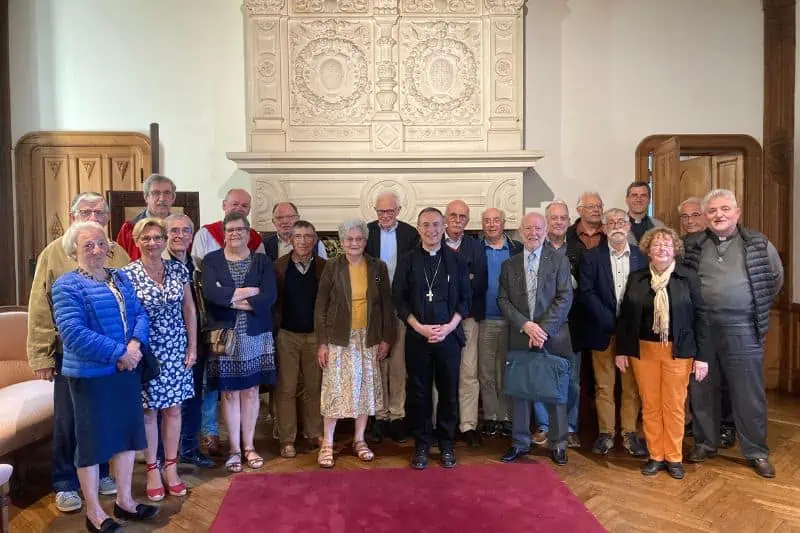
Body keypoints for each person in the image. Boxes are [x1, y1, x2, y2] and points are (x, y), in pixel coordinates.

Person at [51, 221, 159, 532]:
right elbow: (73, 334)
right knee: (93, 444)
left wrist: (135, 346)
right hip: (91, 376)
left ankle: (125, 502)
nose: (97, 250)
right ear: (74, 251)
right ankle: (95, 513)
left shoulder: (119, 277)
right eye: (88, 245)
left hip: (126, 371)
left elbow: (139, 314)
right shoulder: (66, 285)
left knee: (126, 438)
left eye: (101, 243)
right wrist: (120, 353)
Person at [27, 192, 127, 513]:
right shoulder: (52, 254)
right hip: (69, 355)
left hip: (109, 356)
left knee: (101, 418)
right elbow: (40, 309)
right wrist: (41, 356)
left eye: (99, 212)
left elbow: (129, 297)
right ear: (72, 216)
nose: (92, 216)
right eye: (85, 211)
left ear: (107, 217)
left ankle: (97, 474)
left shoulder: (117, 252)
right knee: (70, 421)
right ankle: (65, 482)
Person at [684, 189, 784, 478]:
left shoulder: (758, 243)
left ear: (737, 213)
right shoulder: (693, 245)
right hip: (702, 330)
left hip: (743, 328)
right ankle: (705, 442)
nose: (719, 215)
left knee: (748, 394)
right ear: (705, 216)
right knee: (702, 391)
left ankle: (756, 451)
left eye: (725, 209)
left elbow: (773, 279)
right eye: (713, 210)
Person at [616, 227, 710, 479]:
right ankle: (655, 455)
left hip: (678, 351)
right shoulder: (637, 278)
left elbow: (701, 318)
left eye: (667, 244)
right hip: (643, 351)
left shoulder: (687, 277)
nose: (662, 249)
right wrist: (622, 350)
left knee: (674, 405)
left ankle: (674, 457)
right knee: (650, 405)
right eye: (656, 244)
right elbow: (625, 318)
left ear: (675, 249)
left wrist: (702, 357)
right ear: (648, 249)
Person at [121, 218, 197, 501]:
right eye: (146, 238)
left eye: (157, 237)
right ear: (137, 241)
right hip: (146, 352)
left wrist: (193, 346)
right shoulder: (126, 274)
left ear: (165, 240)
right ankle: (152, 468)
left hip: (177, 347)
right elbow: (126, 317)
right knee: (149, 411)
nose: (152, 243)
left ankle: (171, 467)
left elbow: (189, 307)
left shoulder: (178, 268)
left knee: (174, 410)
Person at [191, 189, 266, 459]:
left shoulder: (256, 242)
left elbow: (262, 288)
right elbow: (206, 283)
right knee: (217, 384)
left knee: (248, 387)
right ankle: (210, 433)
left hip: (252, 327)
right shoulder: (205, 235)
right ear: (224, 205)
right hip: (218, 324)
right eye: (235, 203)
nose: (240, 208)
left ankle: (246, 444)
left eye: (245, 205)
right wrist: (236, 295)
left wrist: (231, 295)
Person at [393, 207, 471, 470]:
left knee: (449, 392)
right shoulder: (407, 260)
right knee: (419, 393)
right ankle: (422, 445)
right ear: (418, 228)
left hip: (449, 337)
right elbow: (399, 300)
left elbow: (465, 300)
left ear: (444, 226)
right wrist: (419, 327)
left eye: (436, 224)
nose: (432, 230)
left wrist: (449, 328)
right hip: (418, 337)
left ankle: (447, 444)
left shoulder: (456, 260)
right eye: (426, 225)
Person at [314, 219, 394, 468]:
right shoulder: (332, 267)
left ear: (365, 241)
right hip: (339, 337)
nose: (354, 243)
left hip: (368, 337)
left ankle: (359, 440)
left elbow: (386, 305)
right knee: (335, 389)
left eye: (359, 239)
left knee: (364, 389)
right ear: (341, 242)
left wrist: (386, 338)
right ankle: (327, 443)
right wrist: (322, 342)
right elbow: (321, 306)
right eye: (349, 239)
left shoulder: (377, 267)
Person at [202, 212, 278, 473]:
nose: (235, 234)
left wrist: (231, 298)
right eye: (230, 230)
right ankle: (234, 449)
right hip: (225, 337)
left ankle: (249, 446)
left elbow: (269, 296)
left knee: (250, 392)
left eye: (240, 230)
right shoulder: (212, 260)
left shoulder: (262, 261)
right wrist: (248, 292)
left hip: (256, 334)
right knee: (229, 393)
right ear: (224, 233)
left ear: (248, 232)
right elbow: (212, 295)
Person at [498, 212, 573, 466]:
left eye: (538, 228)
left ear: (545, 231)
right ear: (520, 231)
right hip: (521, 336)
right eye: (528, 228)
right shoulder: (509, 265)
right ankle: (520, 443)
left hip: (552, 337)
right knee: (520, 391)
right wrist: (526, 326)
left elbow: (565, 298)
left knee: (555, 392)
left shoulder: (560, 261)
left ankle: (558, 444)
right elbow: (503, 300)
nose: (533, 233)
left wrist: (542, 330)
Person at [580, 209, 648, 458]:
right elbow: (586, 293)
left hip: (633, 334)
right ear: (605, 228)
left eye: (621, 222)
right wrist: (611, 322)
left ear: (628, 226)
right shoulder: (591, 257)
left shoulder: (642, 256)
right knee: (604, 386)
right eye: (611, 223)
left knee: (632, 387)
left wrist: (628, 325)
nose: (616, 226)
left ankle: (629, 434)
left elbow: (646, 294)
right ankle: (606, 433)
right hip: (602, 330)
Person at [364, 190, 419, 444]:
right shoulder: (366, 232)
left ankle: (397, 415)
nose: (385, 216)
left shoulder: (410, 234)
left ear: (398, 210)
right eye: (380, 211)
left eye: (389, 211)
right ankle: (380, 416)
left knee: (397, 366)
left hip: (400, 307)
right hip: (372, 310)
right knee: (376, 364)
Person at [164, 215, 216, 469]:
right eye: (174, 230)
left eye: (186, 230)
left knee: (194, 395)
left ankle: (188, 448)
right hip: (168, 342)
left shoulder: (197, 265)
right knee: (169, 402)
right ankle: (165, 455)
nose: (180, 235)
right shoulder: (159, 264)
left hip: (197, 340)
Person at [274, 221, 326, 458]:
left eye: (308, 236)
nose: (303, 241)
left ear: (314, 240)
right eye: (298, 236)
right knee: (286, 387)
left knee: (315, 387)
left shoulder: (325, 267)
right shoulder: (279, 267)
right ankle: (287, 439)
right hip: (287, 335)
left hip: (316, 336)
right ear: (290, 240)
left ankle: (315, 432)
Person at [534, 200, 583, 448]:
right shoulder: (533, 249)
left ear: (569, 221)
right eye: (554, 218)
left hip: (571, 326)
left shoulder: (578, 251)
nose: (559, 222)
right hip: (539, 326)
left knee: (571, 379)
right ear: (545, 221)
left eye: (563, 218)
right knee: (541, 376)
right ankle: (544, 425)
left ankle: (569, 426)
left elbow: (583, 289)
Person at [443, 199, 486, 447]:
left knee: (469, 374)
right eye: (453, 215)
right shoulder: (434, 242)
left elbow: (479, 283)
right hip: (439, 321)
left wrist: (453, 283)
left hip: (468, 318)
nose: (457, 220)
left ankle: (468, 424)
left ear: (468, 221)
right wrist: (462, 278)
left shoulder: (475, 246)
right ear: (446, 218)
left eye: (462, 216)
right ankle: (443, 423)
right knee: (442, 374)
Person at [477, 207, 522, 439]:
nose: (492, 224)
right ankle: (492, 416)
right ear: (482, 225)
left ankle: (507, 417)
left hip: (511, 320)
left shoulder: (516, 249)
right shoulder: (475, 249)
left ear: (504, 224)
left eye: (496, 220)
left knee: (506, 370)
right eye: (487, 221)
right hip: (484, 318)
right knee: (485, 371)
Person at [116, 174, 176, 260]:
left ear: (173, 198)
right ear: (146, 197)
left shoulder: (182, 230)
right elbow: (120, 263)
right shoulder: (129, 228)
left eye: (167, 193)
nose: (162, 198)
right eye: (156, 193)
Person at [263, 202, 328, 261]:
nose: (285, 221)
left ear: (297, 219)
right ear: (273, 221)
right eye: (279, 217)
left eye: (290, 217)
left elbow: (324, 270)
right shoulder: (263, 245)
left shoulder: (315, 243)